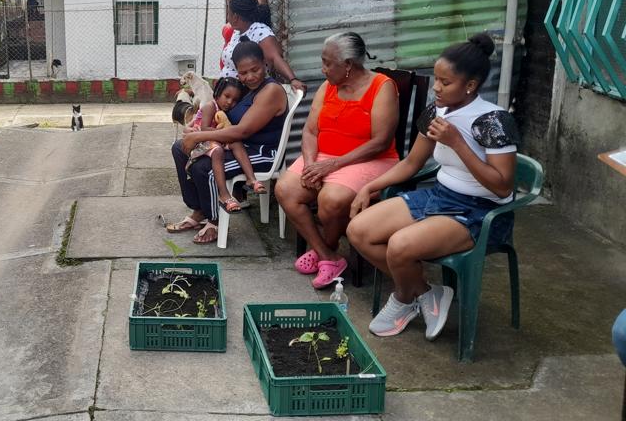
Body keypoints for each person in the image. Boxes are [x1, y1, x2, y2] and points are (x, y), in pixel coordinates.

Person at [347, 34, 519, 340]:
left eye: (446, 82)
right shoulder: (436, 111)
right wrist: (368, 187)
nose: (437, 88)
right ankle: (425, 293)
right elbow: (411, 164)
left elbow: (503, 187)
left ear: (471, 85)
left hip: (480, 212)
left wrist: (458, 143)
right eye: (436, 79)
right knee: (359, 231)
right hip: (440, 196)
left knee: (400, 246)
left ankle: (402, 298)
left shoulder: (493, 120)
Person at [277, 32, 399, 289]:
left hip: (370, 159)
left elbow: (380, 142)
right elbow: (310, 131)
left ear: (348, 66)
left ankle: (326, 251)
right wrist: (311, 164)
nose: (323, 69)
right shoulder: (328, 86)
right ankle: (328, 256)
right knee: (285, 189)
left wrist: (333, 164)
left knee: (330, 200)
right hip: (324, 158)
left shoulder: (382, 87)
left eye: (328, 63)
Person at [170, 41, 289, 244]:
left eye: (255, 69)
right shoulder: (249, 88)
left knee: (204, 167)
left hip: (260, 153)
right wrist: (196, 129)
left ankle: (213, 221)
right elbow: (224, 119)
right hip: (236, 144)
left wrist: (199, 136)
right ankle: (199, 210)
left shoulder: (270, 91)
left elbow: (243, 130)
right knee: (179, 148)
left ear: (264, 64)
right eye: (243, 72)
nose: (250, 76)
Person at [183, 77, 267, 211]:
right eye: (226, 96)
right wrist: (224, 131)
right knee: (218, 152)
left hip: (216, 139)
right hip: (201, 141)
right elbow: (204, 129)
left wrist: (226, 133)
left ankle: (251, 179)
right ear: (217, 93)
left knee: (237, 143)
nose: (229, 102)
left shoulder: (224, 111)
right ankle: (224, 194)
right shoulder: (210, 106)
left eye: (234, 100)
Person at [221, 0, 304, 93]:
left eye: (228, 13)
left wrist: (293, 79)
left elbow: (275, 57)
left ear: (235, 16)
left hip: (246, 93)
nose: (227, 17)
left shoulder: (260, 31)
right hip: (229, 92)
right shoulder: (238, 32)